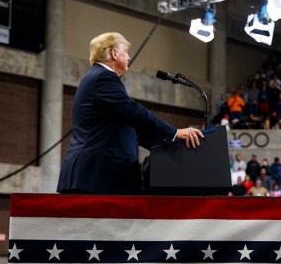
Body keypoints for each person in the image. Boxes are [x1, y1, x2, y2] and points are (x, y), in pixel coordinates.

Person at [57, 32, 203, 194]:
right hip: (97, 176)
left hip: (98, 177)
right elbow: (133, 111)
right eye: (125, 52)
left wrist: (171, 144)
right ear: (114, 53)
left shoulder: (97, 77)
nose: (129, 57)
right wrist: (174, 132)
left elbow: (130, 127)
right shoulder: (103, 77)